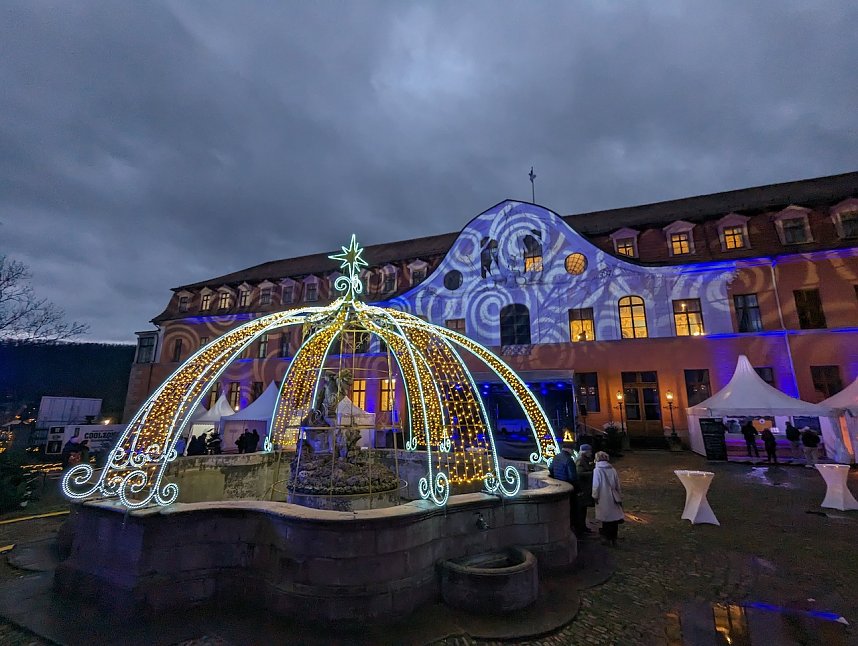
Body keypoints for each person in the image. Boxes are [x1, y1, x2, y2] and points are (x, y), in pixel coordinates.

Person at [592, 451, 624, 547]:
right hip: (613, 496)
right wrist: (619, 495)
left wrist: (595, 496)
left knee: (606, 518)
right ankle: (614, 538)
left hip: (603, 496)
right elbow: (617, 484)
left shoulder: (597, 470)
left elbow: (596, 485)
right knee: (614, 518)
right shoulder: (612, 469)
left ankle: (606, 538)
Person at [548, 443, 580, 536]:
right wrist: (578, 489)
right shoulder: (569, 460)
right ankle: (574, 530)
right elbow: (572, 476)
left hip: (558, 484)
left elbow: (551, 468)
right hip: (569, 487)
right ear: (570, 449)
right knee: (572, 509)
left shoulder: (556, 457)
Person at [574, 444, 595, 535]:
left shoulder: (586, 459)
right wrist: (593, 473)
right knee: (581, 510)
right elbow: (579, 473)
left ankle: (583, 527)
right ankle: (580, 528)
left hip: (585, 488)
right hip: (582, 488)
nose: (591, 453)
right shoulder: (580, 460)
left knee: (583, 509)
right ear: (585, 452)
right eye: (589, 451)